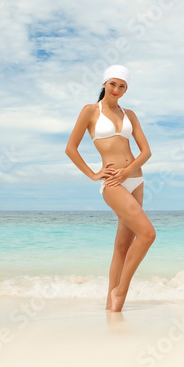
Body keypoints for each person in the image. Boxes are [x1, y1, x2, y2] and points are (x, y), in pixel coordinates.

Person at [65, 65, 155, 312]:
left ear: (126, 89)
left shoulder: (130, 114)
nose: (116, 89)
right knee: (147, 234)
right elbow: (71, 148)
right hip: (113, 183)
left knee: (122, 247)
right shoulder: (90, 111)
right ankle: (122, 289)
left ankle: (112, 308)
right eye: (113, 84)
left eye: (122, 86)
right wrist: (93, 174)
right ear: (104, 83)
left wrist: (128, 171)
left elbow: (146, 151)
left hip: (136, 180)